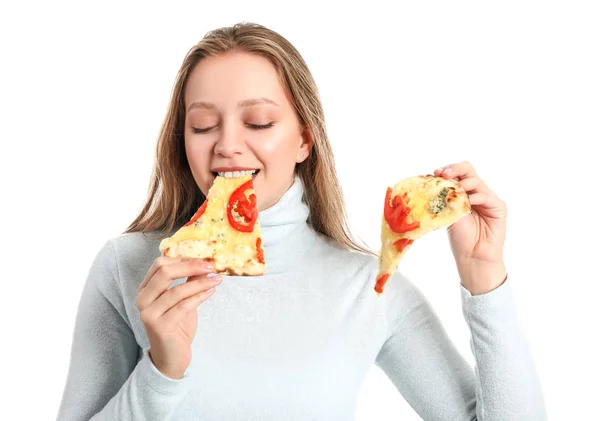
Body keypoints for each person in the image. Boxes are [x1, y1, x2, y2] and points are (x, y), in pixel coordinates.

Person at [56, 22, 547, 421]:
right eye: (203, 125)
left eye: (259, 123)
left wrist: (485, 277)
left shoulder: (368, 287)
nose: (226, 144)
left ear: (303, 142)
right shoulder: (129, 267)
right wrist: (162, 372)